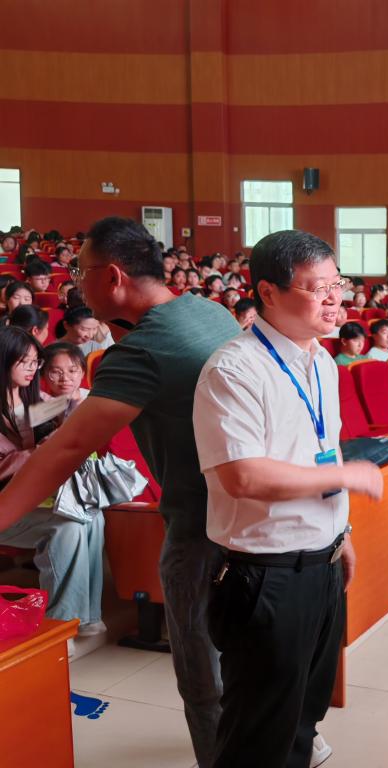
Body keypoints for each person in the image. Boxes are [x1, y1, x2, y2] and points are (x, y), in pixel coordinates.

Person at [0, 216, 241, 768]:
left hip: (200, 525)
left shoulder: (141, 351)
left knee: (203, 678)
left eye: (80, 274)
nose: (75, 286)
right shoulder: (210, 311)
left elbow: (67, 447)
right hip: (249, 516)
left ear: (112, 277)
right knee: (244, 654)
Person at [192, 229, 382, 768]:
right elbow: (243, 476)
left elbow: (319, 450)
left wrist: (340, 533)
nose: (334, 299)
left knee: (303, 719)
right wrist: (347, 476)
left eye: (337, 285)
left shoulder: (321, 361)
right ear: (268, 293)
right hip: (266, 577)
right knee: (258, 735)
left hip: (323, 565)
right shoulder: (234, 369)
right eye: (317, 288)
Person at [0, 327, 106, 638]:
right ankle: (59, 625)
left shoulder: (33, 401)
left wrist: (75, 404)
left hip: (27, 500)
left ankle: (87, 617)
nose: (32, 369)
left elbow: (73, 406)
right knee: (66, 526)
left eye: (35, 362)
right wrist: (39, 451)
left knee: (93, 517)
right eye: (24, 362)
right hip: (6, 506)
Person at [42, 342, 90, 413]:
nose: (65, 378)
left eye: (72, 371)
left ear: (82, 373)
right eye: (56, 372)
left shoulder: (93, 399)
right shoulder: (38, 404)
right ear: (43, 373)